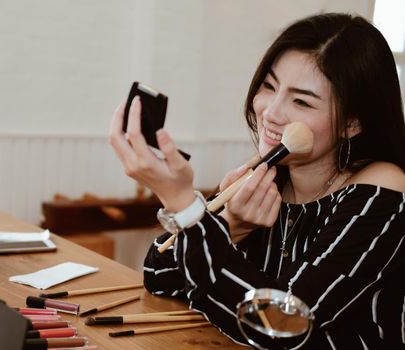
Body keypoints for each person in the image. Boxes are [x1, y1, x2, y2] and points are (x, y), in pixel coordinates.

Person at [109, 12, 405, 349]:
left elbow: (281, 324)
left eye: (301, 101)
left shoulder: (384, 191)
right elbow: (159, 275)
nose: (270, 111)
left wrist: (183, 204)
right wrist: (231, 224)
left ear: (351, 123)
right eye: (269, 85)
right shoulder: (269, 176)